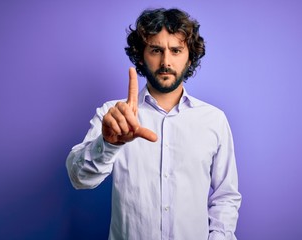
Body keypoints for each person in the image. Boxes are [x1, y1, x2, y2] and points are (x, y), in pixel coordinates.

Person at [66, 8, 241, 240]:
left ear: (189, 58)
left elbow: (226, 196)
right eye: (156, 50)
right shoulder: (114, 115)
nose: (166, 61)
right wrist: (108, 144)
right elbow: (79, 179)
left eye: (176, 50)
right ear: (140, 55)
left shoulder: (214, 120)